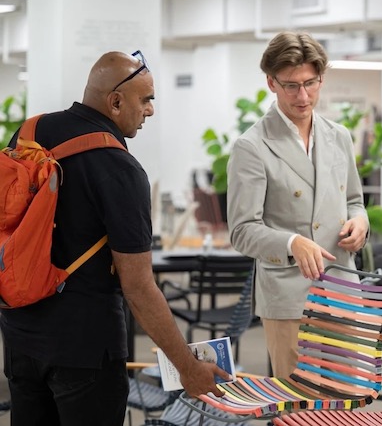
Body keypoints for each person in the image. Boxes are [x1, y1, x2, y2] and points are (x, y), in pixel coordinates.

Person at [0, 51, 231, 426]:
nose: (150, 111)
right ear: (116, 101)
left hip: (20, 335)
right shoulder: (121, 169)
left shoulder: (29, 132)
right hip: (86, 349)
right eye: (146, 99)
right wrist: (187, 368)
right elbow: (138, 287)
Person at [226, 31, 369, 379]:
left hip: (343, 285)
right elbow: (242, 231)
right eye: (291, 85)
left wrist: (360, 222)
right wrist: (291, 242)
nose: (302, 96)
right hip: (289, 295)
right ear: (271, 83)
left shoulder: (339, 136)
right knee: (300, 403)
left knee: (348, 397)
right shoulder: (252, 146)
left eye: (310, 83)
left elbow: (353, 200)